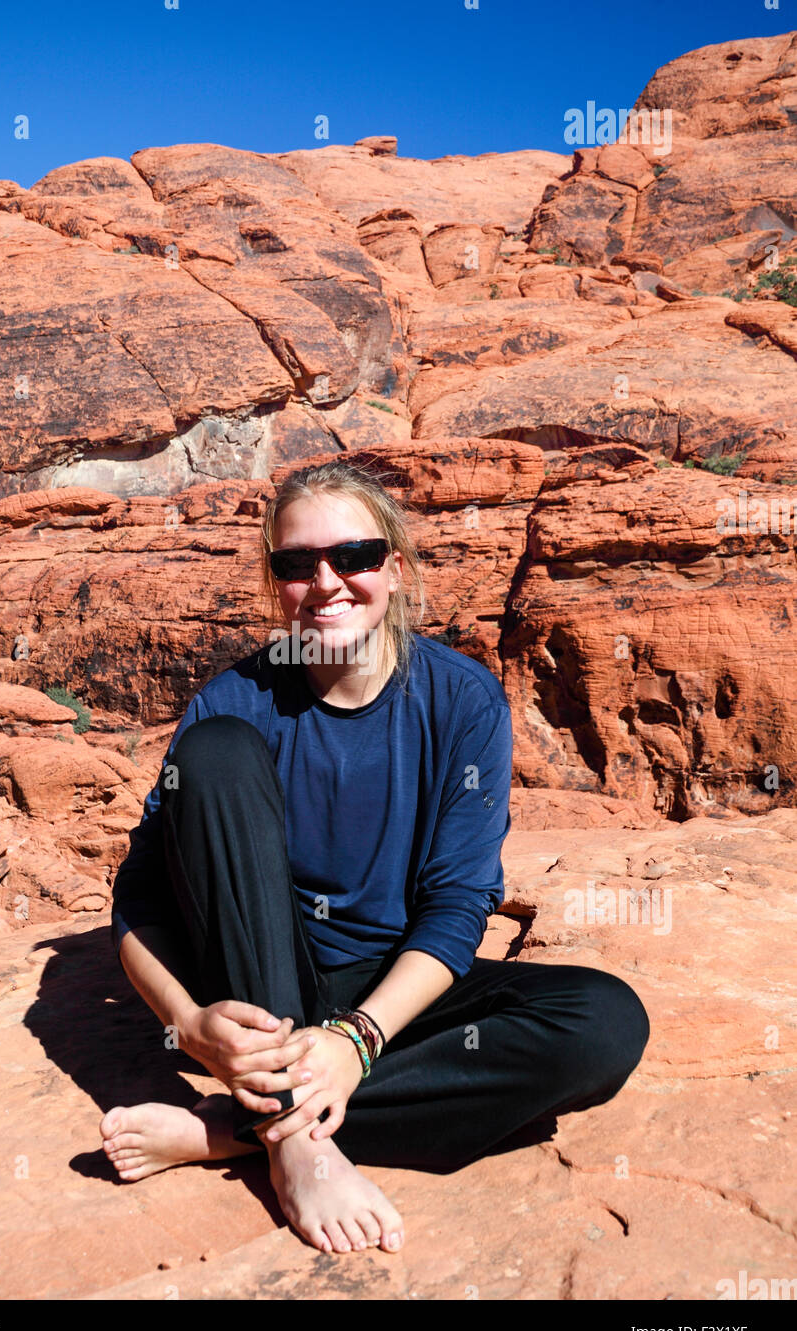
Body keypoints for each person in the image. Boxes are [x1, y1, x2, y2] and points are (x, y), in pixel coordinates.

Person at [101, 460, 650, 1256]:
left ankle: (240, 1127)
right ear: (276, 582)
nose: (326, 582)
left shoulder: (461, 701)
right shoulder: (230, 705)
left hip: (384, 992)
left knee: (602, 1025)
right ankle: (296, 1143)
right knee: (219, 755)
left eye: (352, 556)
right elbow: (138, 903)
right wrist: (189, 1026)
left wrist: (356, 1042)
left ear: (394, 567)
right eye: (296, 564)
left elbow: (459, 904)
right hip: (256, 974)